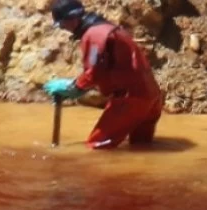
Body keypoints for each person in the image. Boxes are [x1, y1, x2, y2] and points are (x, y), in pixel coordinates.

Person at [42, 0, 164, 149]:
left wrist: (73, 87)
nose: (63, 29)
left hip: (130, 99)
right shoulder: (108, 29)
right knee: (140, 147)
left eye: (62, 24)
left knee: (97, 147)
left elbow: (94, 71)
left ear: (72, 19)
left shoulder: (94, 35)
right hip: (151, 97)